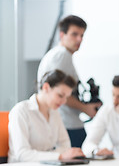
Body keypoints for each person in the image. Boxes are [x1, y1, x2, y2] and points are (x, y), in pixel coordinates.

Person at [37, 15, 101, 148]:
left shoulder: (57, 55)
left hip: (66, 123)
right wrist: (86, 109)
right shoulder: (62, 55)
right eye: (74, 34)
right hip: (67, 124)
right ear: (62, 35)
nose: (79, 39)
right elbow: (61, 92)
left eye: (82, 35)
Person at [8, 69, 85, 162]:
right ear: (46, 87)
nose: (64, 102)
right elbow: (23, 154)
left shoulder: (54, 112)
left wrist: (56, 156)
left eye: (67, 98)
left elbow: (65, 145)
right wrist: (59, 156)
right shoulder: (21, 111)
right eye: (60, 95)